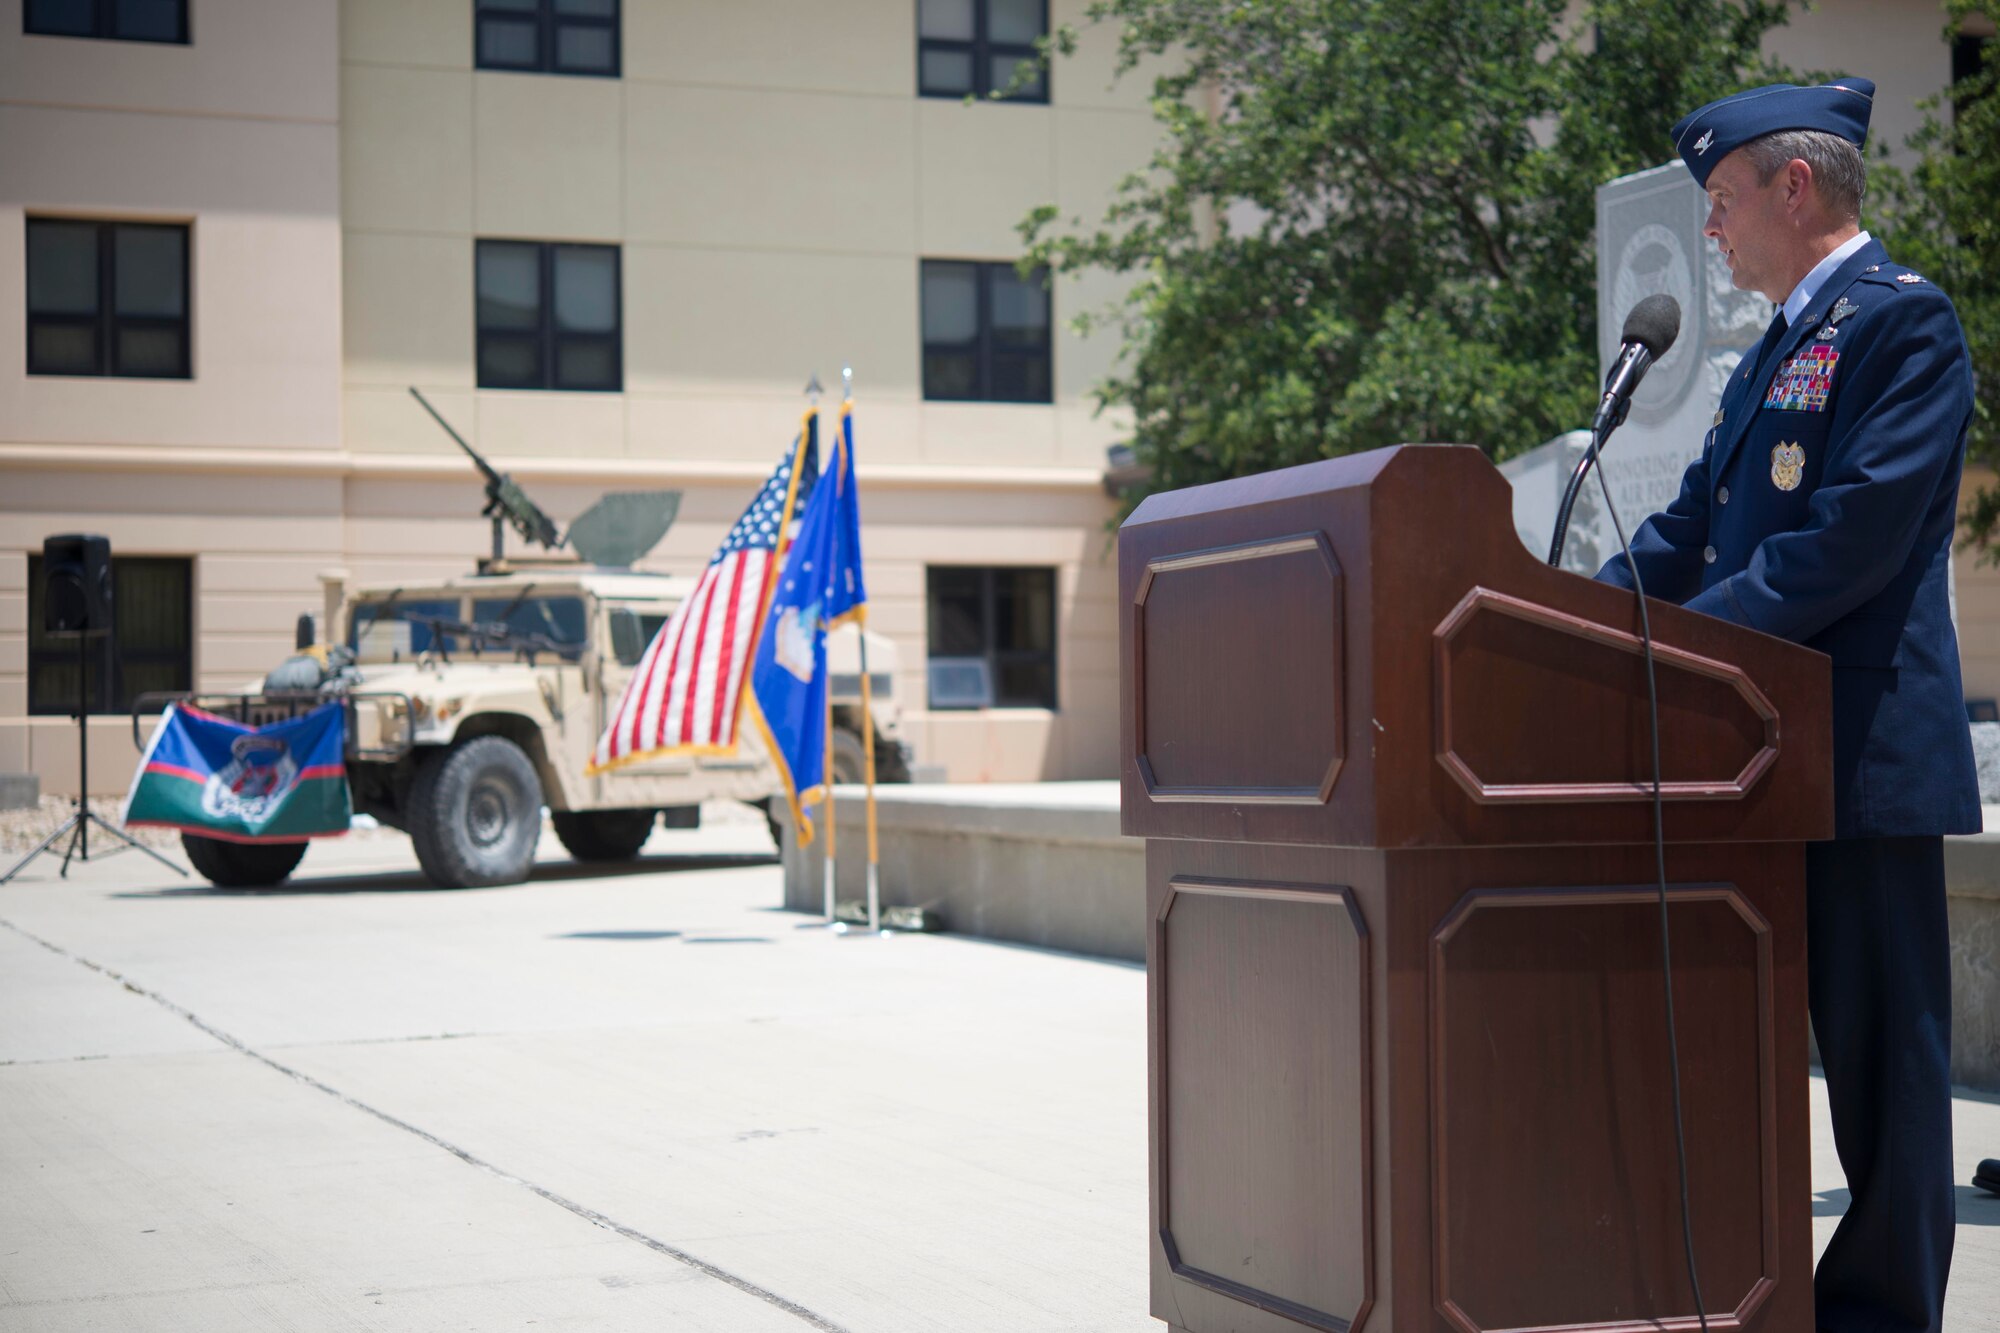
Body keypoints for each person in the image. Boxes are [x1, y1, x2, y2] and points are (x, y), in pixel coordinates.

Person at [1595, 77, 1978, 1333]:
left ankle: (1879, 1316)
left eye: (1719, 202)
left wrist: (1689, 643)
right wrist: (1577, 615)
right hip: (1758, 762)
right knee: (1758, 1052)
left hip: (1856, 763)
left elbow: (1845, 543)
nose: (1708, 231)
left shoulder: (1900, 326)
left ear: (1791, 188)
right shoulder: (1771, 349)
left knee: (1883, 1077)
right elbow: (1691, 523)